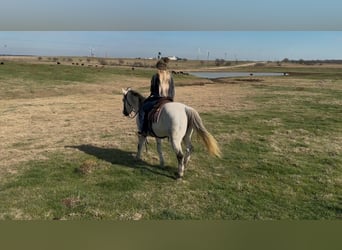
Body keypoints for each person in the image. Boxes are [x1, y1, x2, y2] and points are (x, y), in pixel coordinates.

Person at [138, 57, 175, 136]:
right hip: (169, 99)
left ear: (158, 67)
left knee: (142, 108)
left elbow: (153, 90)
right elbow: (173, 89)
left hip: (158, 99)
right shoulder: (170, 76)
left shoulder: (155, 76)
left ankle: (143, 130)